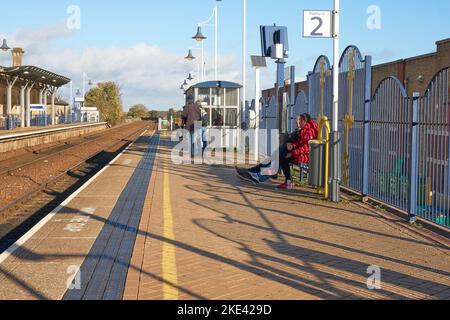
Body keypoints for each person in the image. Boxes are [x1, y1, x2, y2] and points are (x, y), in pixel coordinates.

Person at [237, 113, 318, 190]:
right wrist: (293, 146)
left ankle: (257, 175)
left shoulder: (309, 132)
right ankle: (252, 172)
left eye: (298, 121)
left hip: (304, 157)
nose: (297, 124)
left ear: (304, 121)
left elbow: (306, 148)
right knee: (278, 155)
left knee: (278, 159)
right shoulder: (305, 129)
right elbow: (300, 143)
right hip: (299, 154)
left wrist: (292, 153)